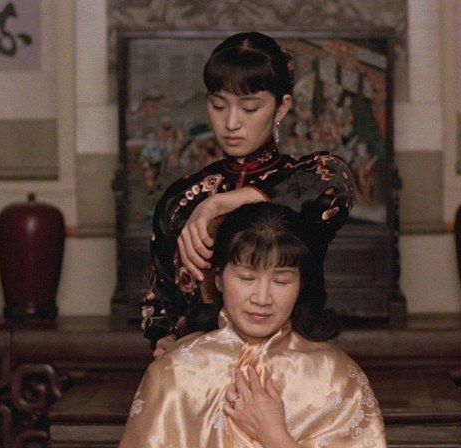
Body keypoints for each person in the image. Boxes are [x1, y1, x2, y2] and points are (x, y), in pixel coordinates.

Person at [141, 31, 356, 354]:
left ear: (281, 108)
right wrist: (163, 339)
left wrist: (221, 203)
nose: (231, 122)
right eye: (218, 105)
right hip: (203, 365)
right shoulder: (180, 199)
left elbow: (337, 179)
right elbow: (159, 300)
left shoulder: (306, 182)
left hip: (292, 362)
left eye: (250, 108)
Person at [120, 202, 387, 447]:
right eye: (247, 278)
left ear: (301, 285)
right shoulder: (174, 371)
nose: (262, 298)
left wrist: (275, 437)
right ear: (218, 279)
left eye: (281, 281)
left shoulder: (335, 376)